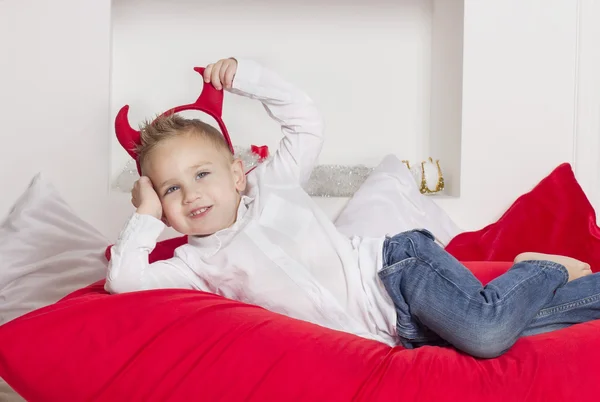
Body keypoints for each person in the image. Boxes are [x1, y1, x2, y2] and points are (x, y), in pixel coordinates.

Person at [106, 57, 600, 359]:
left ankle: (538, 269)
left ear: (237, 173)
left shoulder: (270, 187)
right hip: (394, 329)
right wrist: (144, 212)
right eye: (170, 189)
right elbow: (124, 280)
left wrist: (248, 78)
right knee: (540, 324)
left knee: (487, 332)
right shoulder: (194, 265)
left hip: (399, 271)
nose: (191, 194)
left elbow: (306, 122)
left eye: (202, 174)